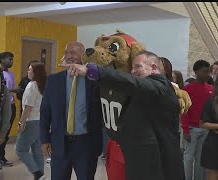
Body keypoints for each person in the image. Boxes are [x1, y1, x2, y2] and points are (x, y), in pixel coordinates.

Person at [61, 50, 184, 180]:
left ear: (153, 68)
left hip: (158, 166)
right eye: (132, 67)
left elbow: (129, 82)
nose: (132, 71)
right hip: (142, 162)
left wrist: (91, 70)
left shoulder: (160, 85)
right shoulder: (145, 89)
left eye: (138, 67)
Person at [40, 41, 103, 180]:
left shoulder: (94, 81)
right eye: (66, 53)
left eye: (73, 52)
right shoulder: (54, 80)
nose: (68, 56)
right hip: (60, 143)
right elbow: (45, 111)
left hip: (86, 144)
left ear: (83, 55)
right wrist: (44, 139)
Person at [181, 59, 214, 180]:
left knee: (201, 158)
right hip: (191, 128)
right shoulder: (188, 89)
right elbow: (184, 110)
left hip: (205, 128)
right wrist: (185, 130)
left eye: (208, 71)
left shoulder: (211, 89)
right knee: (188, 157)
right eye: (204, 71)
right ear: (196, 71)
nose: (207, 74)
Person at [16, 62, 47, 180]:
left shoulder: (31, 86)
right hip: (41, 122)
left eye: (30, 70)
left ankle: (37, 173)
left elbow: (28, 108)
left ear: (36, 73)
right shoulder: (43, 86)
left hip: (31, 121)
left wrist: (21, 123)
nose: (28, 72)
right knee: (37, 152)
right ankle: (40, 176)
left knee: (20, 150)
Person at [0, 51, 17, 167]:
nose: (11, 61)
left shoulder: (11, 74)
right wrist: (14, 90)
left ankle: (0, 155)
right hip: (2, 107)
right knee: (0, 132)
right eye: (9, 59)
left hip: (11, 105)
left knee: (6, 132)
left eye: (12, 60)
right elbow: (0, 89)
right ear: (2, 60)